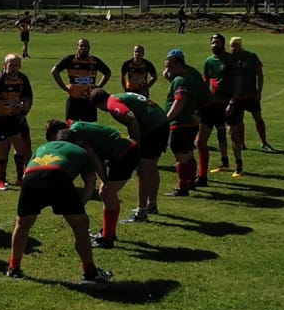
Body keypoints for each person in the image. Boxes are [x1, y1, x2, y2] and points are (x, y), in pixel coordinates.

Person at [4, 119, 111, 284]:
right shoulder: (81, 151)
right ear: (75, 141)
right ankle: (90, 271)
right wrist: (80, 206)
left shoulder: (42, 148)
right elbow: (90, 184)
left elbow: (28, 169)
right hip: (58, 177)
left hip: (30, 178)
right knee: (80, 225)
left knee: (22, 225)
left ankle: (13, 268)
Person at [64, 113, 140, 249]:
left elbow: (94, 158)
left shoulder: (76, 133)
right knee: (107, 193)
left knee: (106, 192)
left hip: (126, 153)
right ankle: (109, 232)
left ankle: (107, 237)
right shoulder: (76, 127)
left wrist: (105, 180)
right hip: (123, 151)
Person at [93, 87, 168, 223]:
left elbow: (130, 117)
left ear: (99, 105)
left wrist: (136, 143)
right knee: (151, 166)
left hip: (152, 130)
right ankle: (152, 204)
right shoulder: (119, 95)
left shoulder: (111, 103)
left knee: (143, 169)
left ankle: (141, 212)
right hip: (161, 123)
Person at [0, 53, 34, 190]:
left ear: (20, 66)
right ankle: (0, 180)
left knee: (20, 148)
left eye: (16, 65)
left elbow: (28, 98)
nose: (13, 68)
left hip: (13, 118)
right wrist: (8, 102)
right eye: (10, 65)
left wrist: (24, 108)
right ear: (4, 65)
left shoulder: (23, 79)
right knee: (3, 149)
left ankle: (20, 178)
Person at [163, 48, 205, 196]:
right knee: (188, 153)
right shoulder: (187, 77)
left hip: (180, 123)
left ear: (178, 65)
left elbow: (180, 101)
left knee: (180, 155)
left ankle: (182, 187)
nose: (166, 69)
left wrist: (167, 118)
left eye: (169, 66)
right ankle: (191, 181)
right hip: (191, 122)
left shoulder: (180, 80)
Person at [227, 35, 274, 165]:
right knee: (239, 120)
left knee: (258, 118)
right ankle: (242, 143)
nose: (233, 48)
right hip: (237, 96)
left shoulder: (251, 57)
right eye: (232, 46)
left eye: (235, 46)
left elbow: (260, 74)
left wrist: (259, 92)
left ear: (240, 46)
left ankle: (264, 142)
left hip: (251, 95)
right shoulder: (230, 59)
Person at [51, 38, 112, 123]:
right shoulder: (70, 59)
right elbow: (54, 71)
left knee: (90, 129)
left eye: (85, 46)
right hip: (73, 99)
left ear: (89, 48)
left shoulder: (94, 61)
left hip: (89, 100)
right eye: (81, 46)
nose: (83, 48)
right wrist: (64, 87)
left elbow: (107, 73)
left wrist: (99, 86)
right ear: (77, 47)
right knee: (71, 127)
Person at [198, 33, 232, 180]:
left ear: (222, 44)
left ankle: (226, 160)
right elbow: (205, 81)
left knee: (222, 131)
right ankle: (206, 169)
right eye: (212, 43)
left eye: (217, 42)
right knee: (206, 133)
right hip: (212, 103)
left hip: (226, 102)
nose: (214, 45)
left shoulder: (229, 59)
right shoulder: (209, 61)